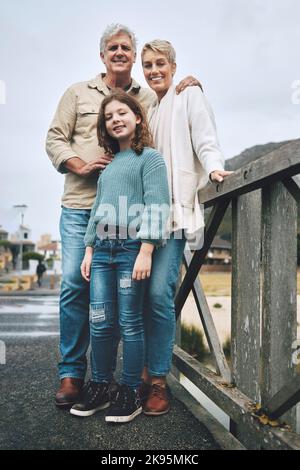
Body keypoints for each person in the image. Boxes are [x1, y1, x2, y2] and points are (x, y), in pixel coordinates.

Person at [46, 24, 200, 408]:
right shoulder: (77, 93)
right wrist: (80, 164)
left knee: (144, 296)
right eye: (112, 47)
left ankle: (143, 380)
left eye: (126, 48)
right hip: (82, 208)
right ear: (102, 55)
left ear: (133, 56)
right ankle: (72, 375)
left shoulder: (147, 97)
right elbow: (54, 139)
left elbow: (169, 107)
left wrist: (188, 86)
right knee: (74, 287)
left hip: (131, 220)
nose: (119, 52)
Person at [140, 40, 234, 415]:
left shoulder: (188, 94)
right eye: (147, 65)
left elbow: (205, 138)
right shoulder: (150, 107)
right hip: (142, 216)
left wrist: (213, 167)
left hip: (174, 215)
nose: (154, 70)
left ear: (174, 65)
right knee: (140, 296)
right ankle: (141, 371)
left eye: (160, 63)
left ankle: (159, 380)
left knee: (161, 294)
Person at [70, 91, 170, 423]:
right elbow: (97, 210)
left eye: (122, 113)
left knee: (129, 321)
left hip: (130, 249)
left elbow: (157, 205)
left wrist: (146, 250)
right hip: (101, 251)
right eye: (109, 116)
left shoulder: (150, 158)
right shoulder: (110, 166)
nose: (115, 119)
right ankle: (99, 386)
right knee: (100, 322)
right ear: (105, 126)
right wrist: (88, 249)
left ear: (138, 118)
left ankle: (129, 391)